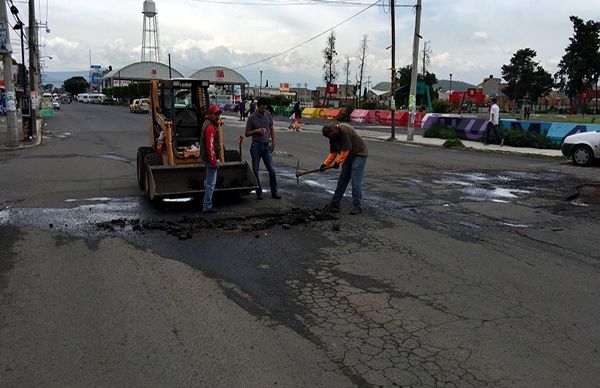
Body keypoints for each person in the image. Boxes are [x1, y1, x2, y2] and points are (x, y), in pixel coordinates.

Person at [320, 123, 368, 215]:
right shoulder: (332, 137)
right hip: (348, 156)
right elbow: (333, 153)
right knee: (342, 179)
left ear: (333, 130)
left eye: (329, 136)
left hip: (359, 154)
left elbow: (346, 149)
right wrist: (325, 164)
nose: (330, 138)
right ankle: (335, 204)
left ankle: (357, 206)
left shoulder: (344, 130)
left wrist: (338, 162)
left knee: (355, 180)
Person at [245, 97, 280, 200]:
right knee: (255, 170)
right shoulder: (251, 118)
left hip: (265, 146)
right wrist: (256, 131)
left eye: (265, 108)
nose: (263, 110)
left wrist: (273, 142)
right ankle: (258, 192)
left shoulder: (268, 115)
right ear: (257, 106)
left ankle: (274, 192)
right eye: (262, 108)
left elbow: (271, 128)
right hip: (256, 145)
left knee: (272, 170)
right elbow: (247, 133)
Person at [200, 105, 222, 214]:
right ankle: (207, 206)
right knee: (211, 183)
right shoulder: (210, 127)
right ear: (210, 114)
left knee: (208, 180)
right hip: (210, 159)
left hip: (205, 157)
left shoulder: (206, 123)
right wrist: (214, 161)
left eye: (219, 114)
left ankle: (205, 197)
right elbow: (210, 146)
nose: (218, 116)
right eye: (216, 114)